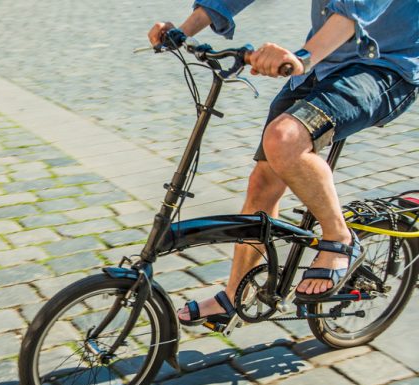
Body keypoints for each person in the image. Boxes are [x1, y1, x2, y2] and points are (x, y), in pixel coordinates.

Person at [148, 1, 419, 327]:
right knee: (263, 181)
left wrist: (302, 57)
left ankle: (339, 239)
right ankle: (237, 294)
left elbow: (354, 10)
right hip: (327, 63)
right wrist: (181, 30)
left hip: (385, 67)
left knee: (284, 139)